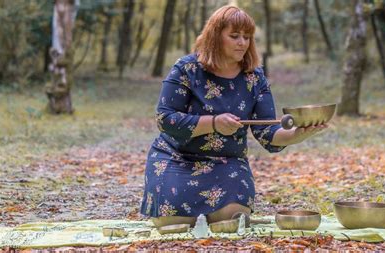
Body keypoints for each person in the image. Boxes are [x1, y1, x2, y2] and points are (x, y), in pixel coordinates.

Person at [140, 5, 327, 228]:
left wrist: (297, 135)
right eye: (235, 36)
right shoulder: (186, 68)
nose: (242, 43)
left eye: (247, 37)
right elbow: (165, 119)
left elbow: (266, 132)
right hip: (176, 158)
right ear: (215, 36)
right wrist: (213, 123)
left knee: (232, 219)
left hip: (226, 162)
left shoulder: (254, 77)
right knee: (173, 222)